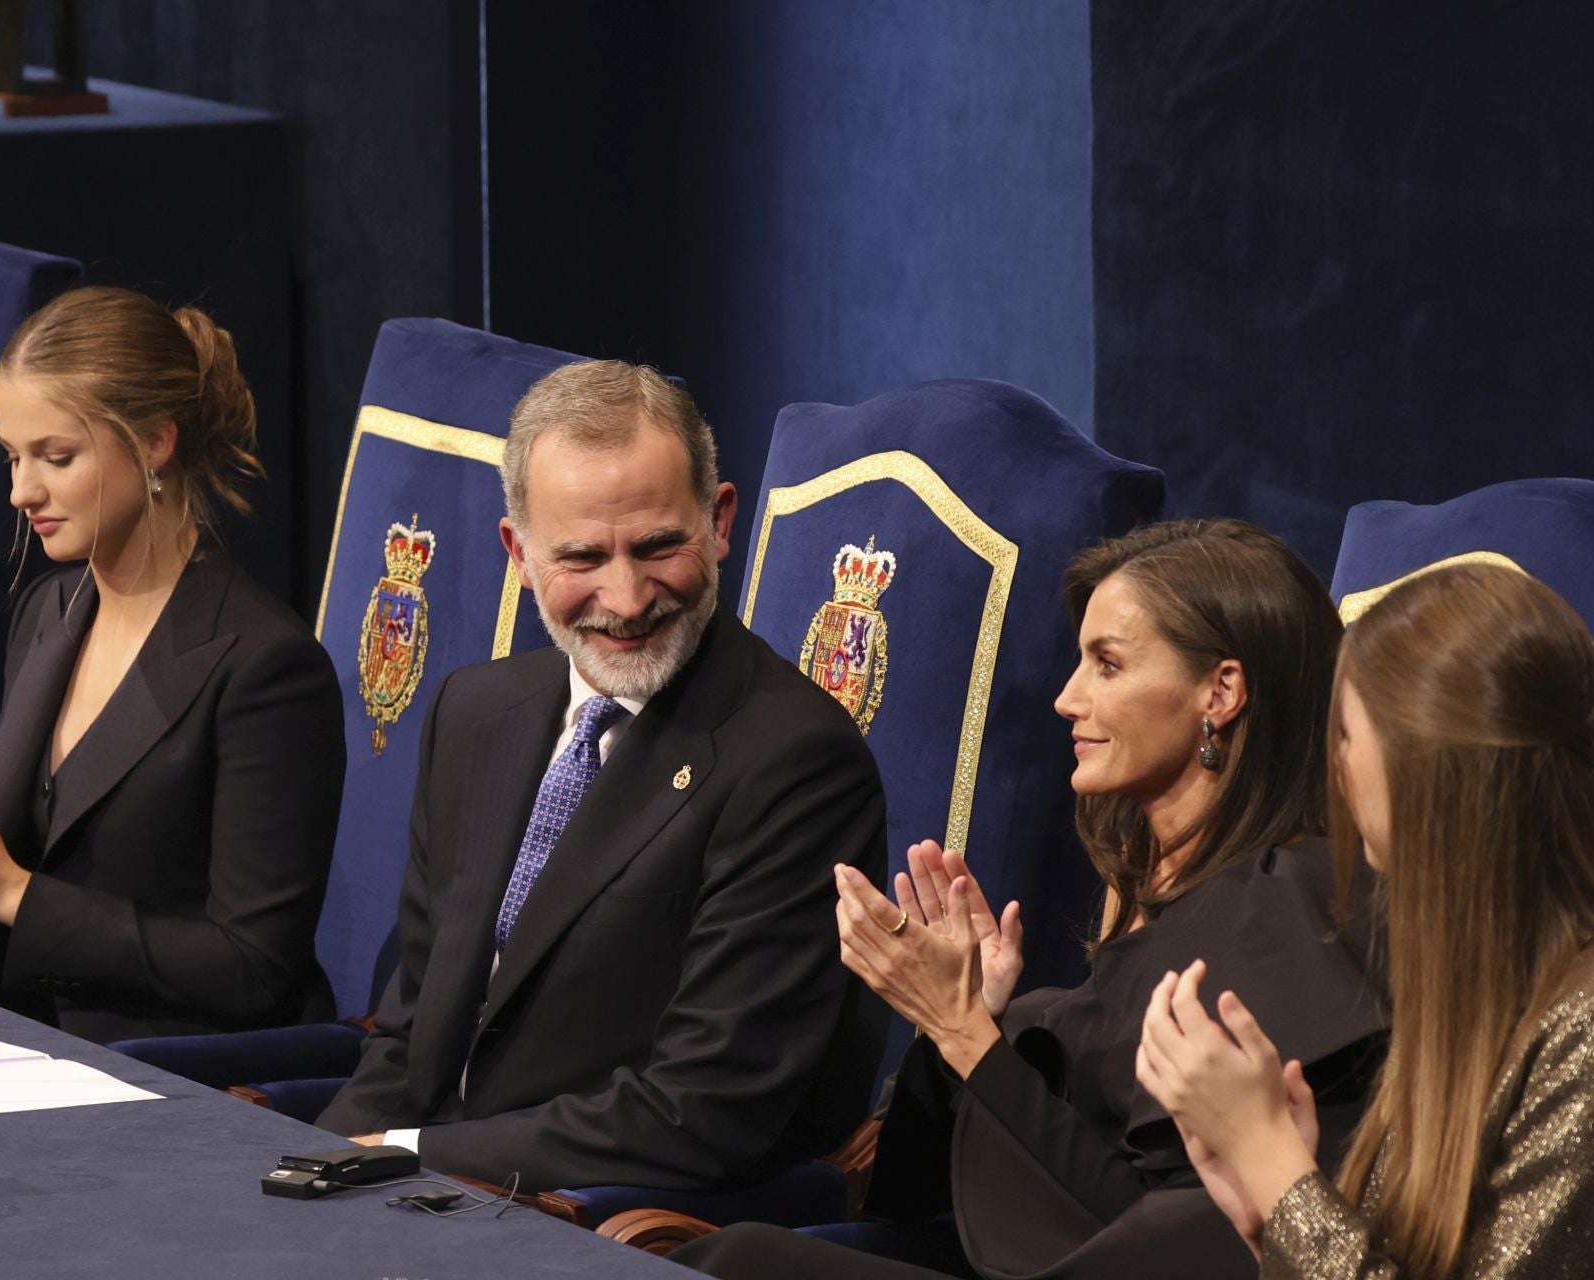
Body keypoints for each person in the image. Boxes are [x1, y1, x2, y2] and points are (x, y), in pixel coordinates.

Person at [674, 519, 1389, 1279]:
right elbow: (936, 1194)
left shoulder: (1293, 912)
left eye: (1107, 665)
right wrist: (974, 1015)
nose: (1065, 698)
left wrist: (965, 1034)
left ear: (1221, 690)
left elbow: (1162, 1239)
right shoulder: (1161, 882)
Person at [317, 359, 887, 1190]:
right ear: (518, 551)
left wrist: (401, 1159)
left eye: (659, 547)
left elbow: (699, 1110)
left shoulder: (796, 762)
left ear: (720, 520)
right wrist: (311, 1176)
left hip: (593, 1227)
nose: (625, 598)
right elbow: (410, 1037)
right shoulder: (473, 712)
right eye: (582, 556)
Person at [0, 285, 345, 1044]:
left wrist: (10, 891)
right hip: (22, 1043)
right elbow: (24, 913)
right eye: (14, 456)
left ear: (154, 443)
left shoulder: (265, 665)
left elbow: (251, 968)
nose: (21, 491)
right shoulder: (49, 611)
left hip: (170, 1072)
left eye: (57, 457)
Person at [1137, 563, 1594, 1279]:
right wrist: (1271, 1220)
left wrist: (1273, 1161)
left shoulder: (1583, 1031)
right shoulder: (1467, 985)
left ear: (1424, 769)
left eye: (1348, 735)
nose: (1336, 766)